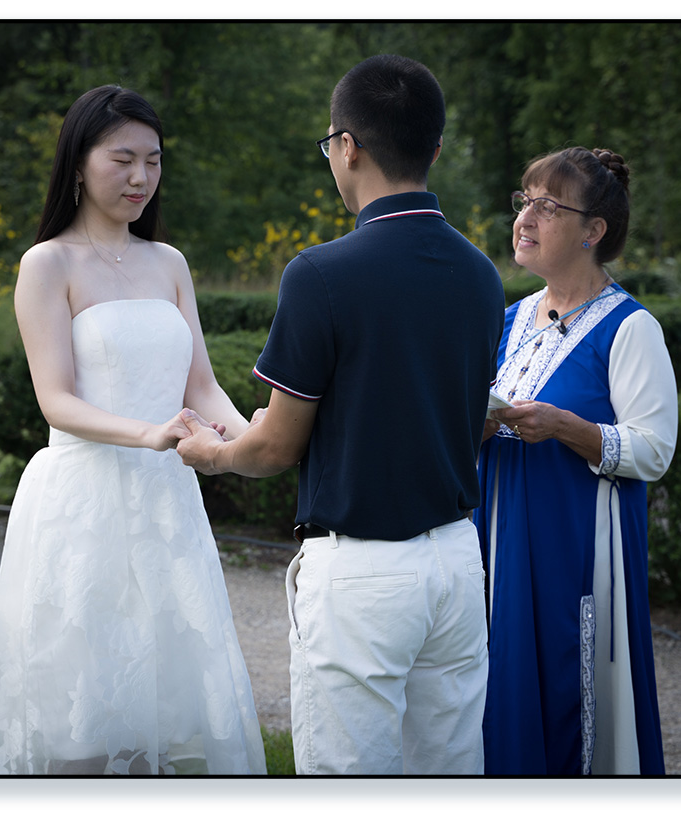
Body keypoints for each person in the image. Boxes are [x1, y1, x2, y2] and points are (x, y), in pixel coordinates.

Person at [176, 54, 506, 775]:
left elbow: (273, 448)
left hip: (363, 573)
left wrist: (210, 452)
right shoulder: (483, 275)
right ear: (436, 149)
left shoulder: (322, 272)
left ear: (347, 145)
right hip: (456, 561)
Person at [0, 86, 266, 775]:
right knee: (81, 709)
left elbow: (202, 386)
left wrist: (257, 440)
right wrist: (148, 433)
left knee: (167, 707)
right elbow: (56, 401)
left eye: (153, 161)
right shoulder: (48, 265)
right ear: (77, 163)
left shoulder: (169, 263)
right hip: (81, 503)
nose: (140, 178)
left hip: (165, 505)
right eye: (122, 159)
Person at [476, 146, 677, 775]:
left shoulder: (630, 328)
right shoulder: (507, 321)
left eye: (548, 207)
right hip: (495, 540)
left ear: (594, 231)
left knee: (571, 689)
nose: (525, 219)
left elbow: (653, 448)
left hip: (576, 549)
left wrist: (568, 428)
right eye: (524, 201)